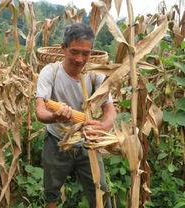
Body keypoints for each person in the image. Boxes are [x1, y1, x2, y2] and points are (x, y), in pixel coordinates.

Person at [35, 23, 117, 208]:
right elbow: (40, 111)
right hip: (57, 140)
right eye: (74, 52)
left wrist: (103, 127)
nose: (80, 59)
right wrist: (55, 117)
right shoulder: (51, 72)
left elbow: (110, 110)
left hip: (87, 143)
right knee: (51, 193)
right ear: (63, 48)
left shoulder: (95, 75)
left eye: (86, 53)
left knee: (101, 193)